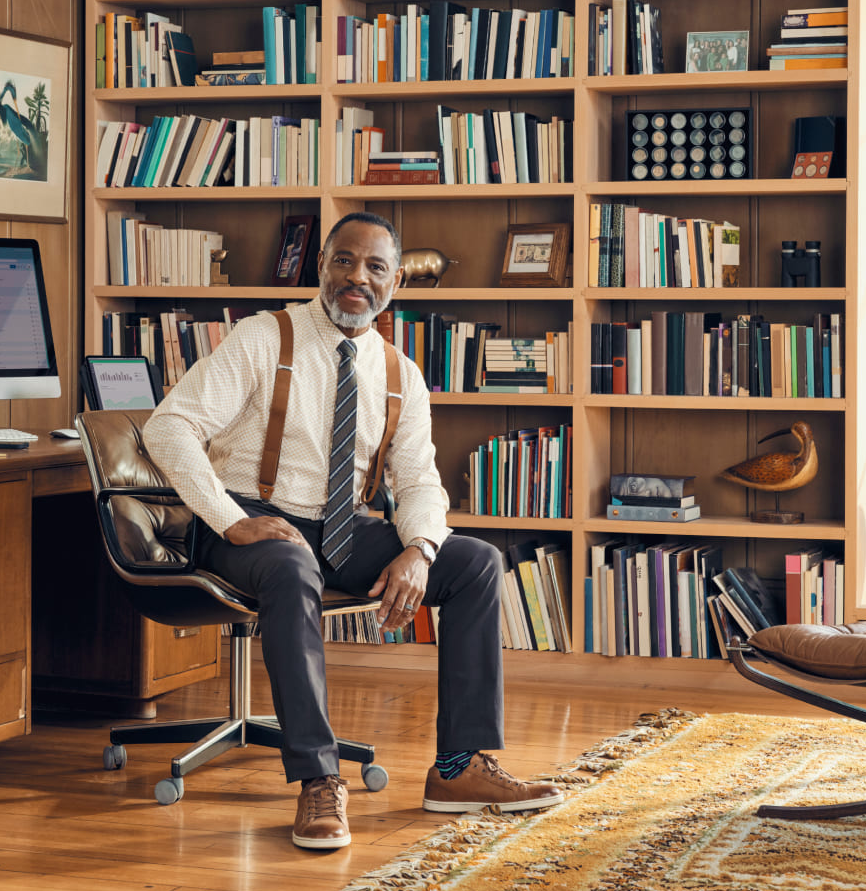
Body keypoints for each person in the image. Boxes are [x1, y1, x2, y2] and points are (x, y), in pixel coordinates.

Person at [143, 212, 560, 849]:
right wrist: (232, 519)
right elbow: (168, 428)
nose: (356, 278)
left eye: (375, 268)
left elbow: (419, 479)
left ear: (395, 282)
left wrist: (420, 551)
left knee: (471, 560)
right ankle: (317, 778)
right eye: (344, 261)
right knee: (290, 563)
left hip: (339, 531)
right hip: (250, 528)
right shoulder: (264, 338)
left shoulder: (402, 375)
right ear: (322, 267)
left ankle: (458, 769)